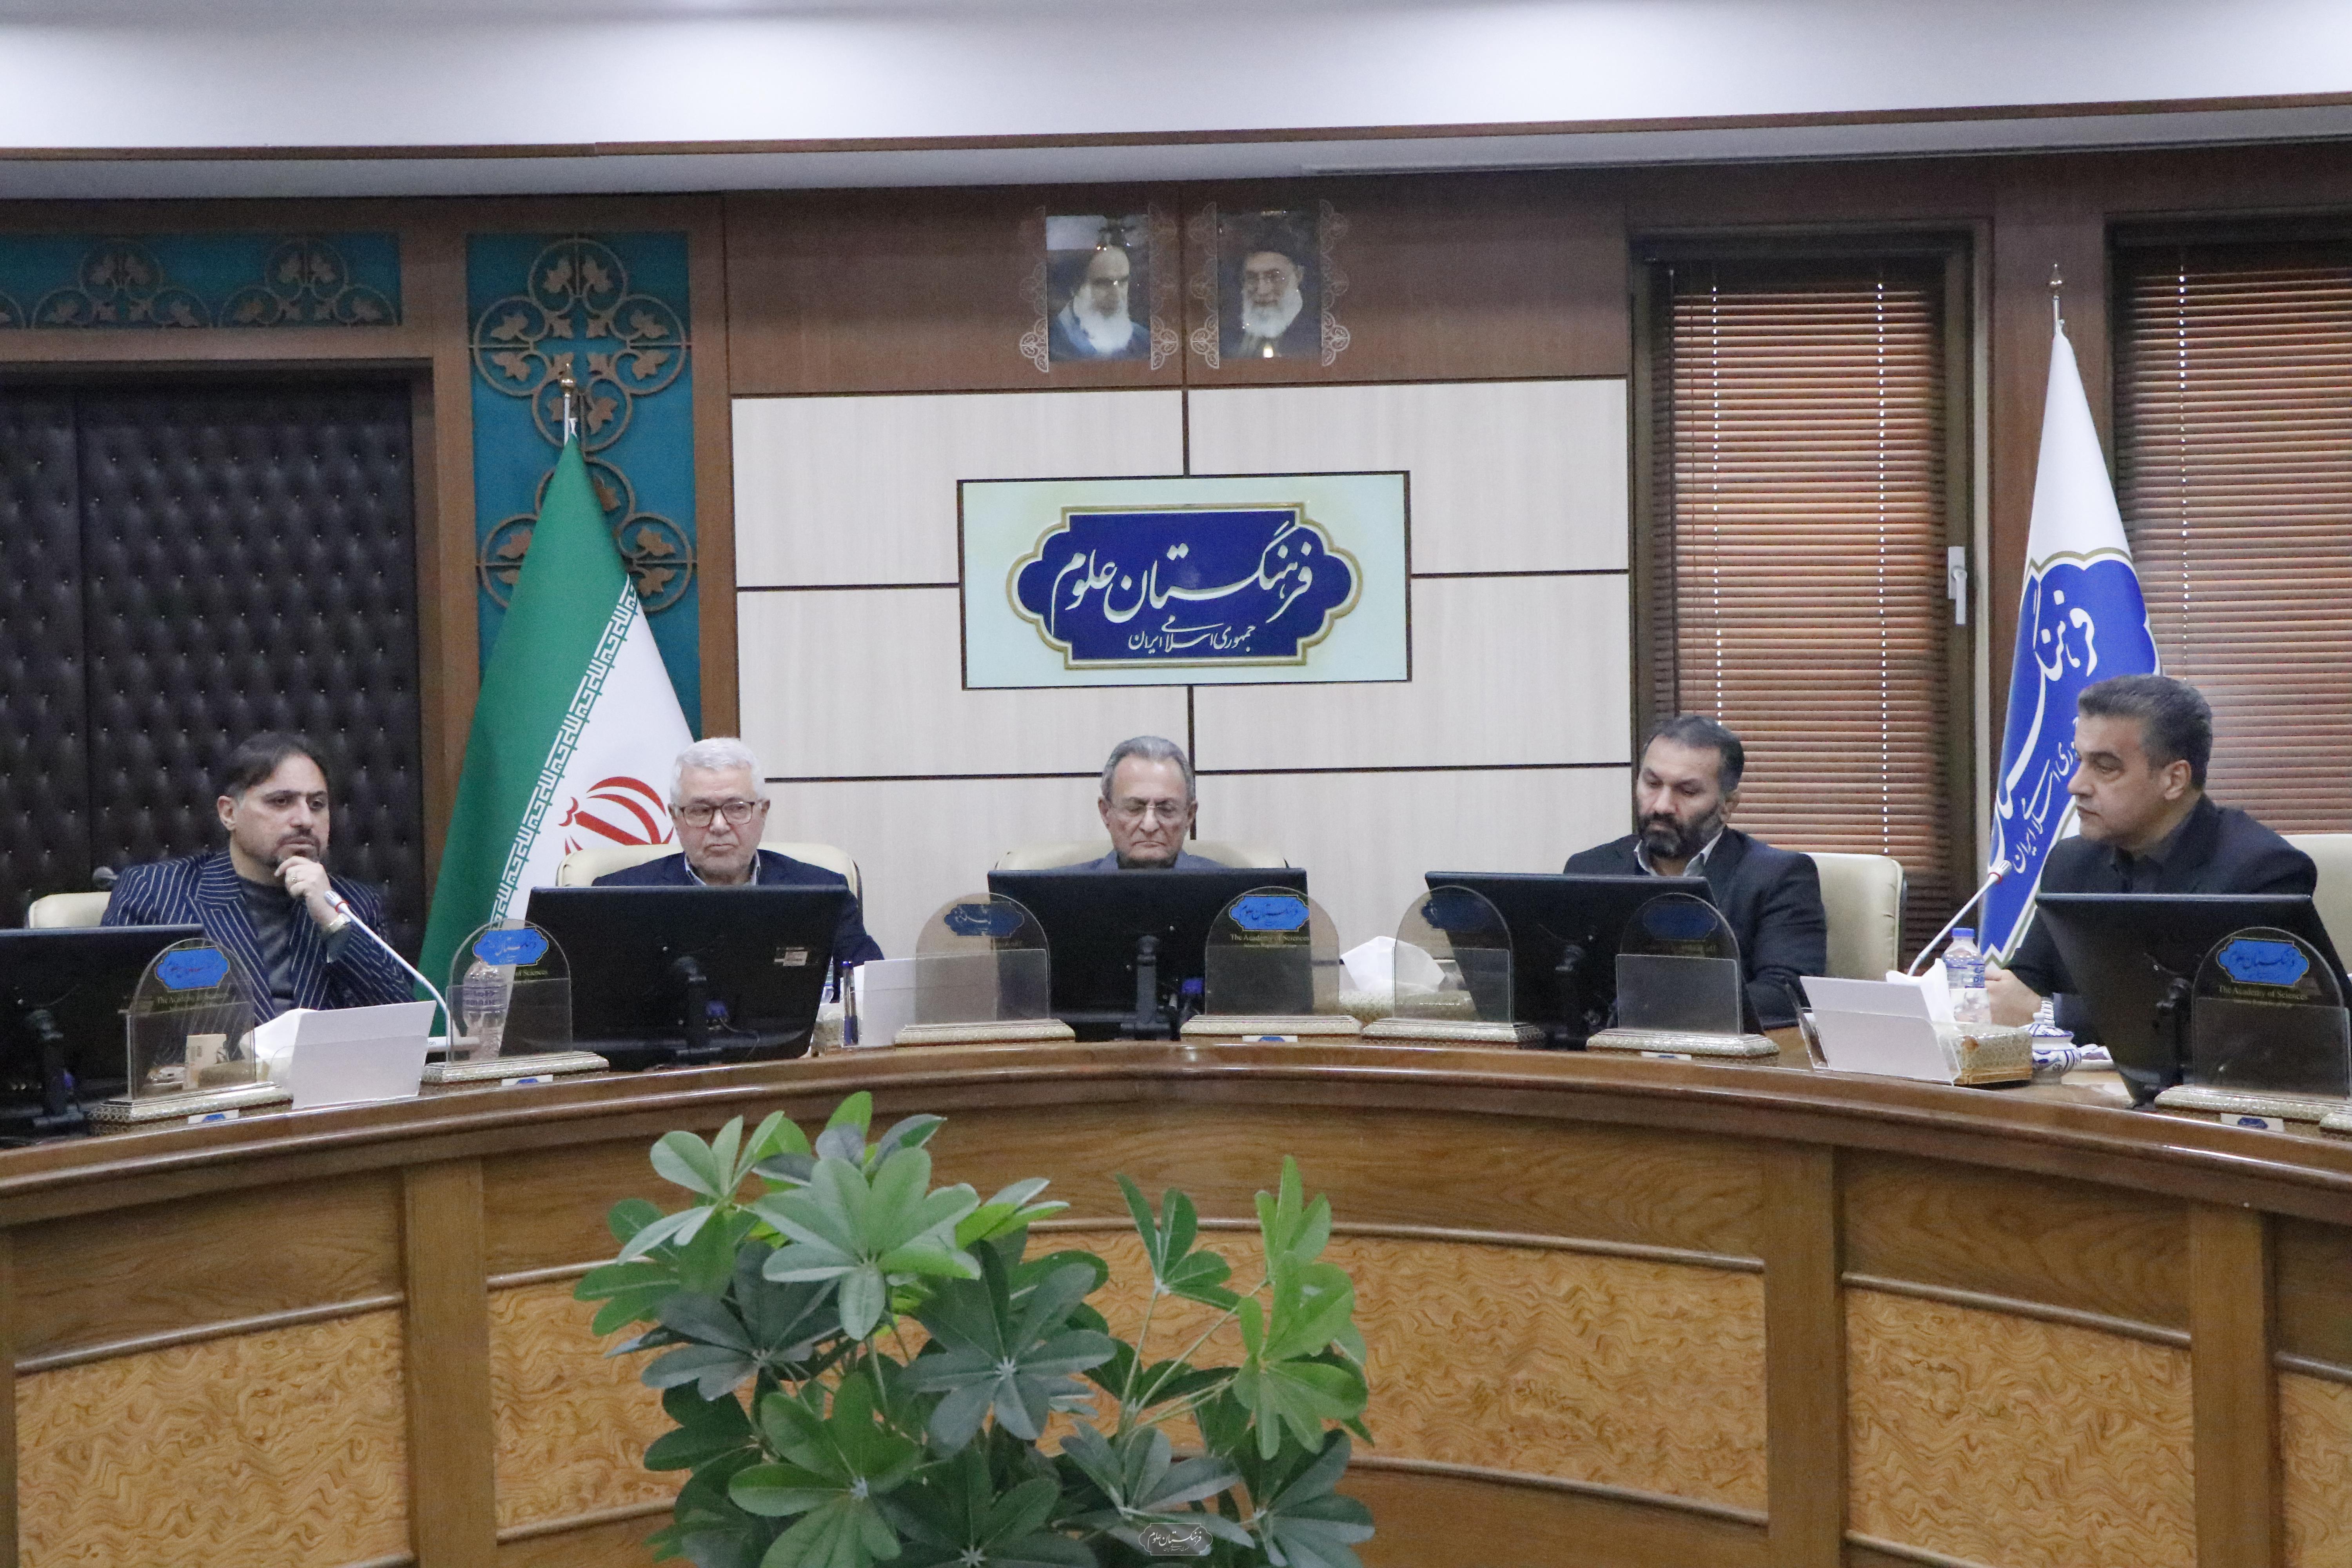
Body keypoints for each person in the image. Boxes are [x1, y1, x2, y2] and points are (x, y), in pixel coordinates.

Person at [1987, 674, 2314, 1030]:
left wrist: (2052, 1015)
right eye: (2079, 760)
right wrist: (1982, 994)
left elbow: (2245, 1023)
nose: (2075, 785)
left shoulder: (2262, 872)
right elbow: (2025, 985)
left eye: (2105, 767)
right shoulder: (2072, 863)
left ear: (2174, 780)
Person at [103, 731, 412, 1019]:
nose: (305, 820)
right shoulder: (156, 893)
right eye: (281, 802)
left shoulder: (355, 906)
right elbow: (114, 1024)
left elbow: (403, 1026)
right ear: (229, 814)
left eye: (317, 804)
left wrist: (334, 925)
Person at [1563, 714, 1827, 1029]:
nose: (1662, 806)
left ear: (1728, 805)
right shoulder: (1590, 869)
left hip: (1719, 1052)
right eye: (1652, 784)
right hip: (1604, 1049)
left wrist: (1658, 1011)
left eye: (1687, 792)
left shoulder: (1778, 876)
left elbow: (1786, 994)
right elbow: (1561, 979)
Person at [593, 737, 883, 966]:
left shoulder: (822, 893)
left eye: (736, 808)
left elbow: (870, 989)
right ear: (675, 817)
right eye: (700, 810)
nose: (719, 826)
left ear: (763, 812)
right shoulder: (617, 898)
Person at [1087, 736, 1226, 870]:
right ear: (1106, 812)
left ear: (1189, 816)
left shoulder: (1229, 884)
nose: (1150, 826)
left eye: (1167, 809)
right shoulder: (1074, 885)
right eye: (1134, 808)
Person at [1224, 234, 1319, 361]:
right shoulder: (1228, 335)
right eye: (1252, 278)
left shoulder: (1318, 335)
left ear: (1298, 276)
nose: (1262, 291)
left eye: (1274, 277)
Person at [1048, 245, 1149, 361]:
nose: (1117, 296)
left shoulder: (1143, 339)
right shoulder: (1056, 344)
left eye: (1123, 282)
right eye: (1104, 283)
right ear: (1075, 289)